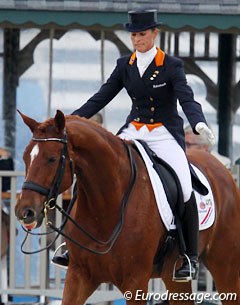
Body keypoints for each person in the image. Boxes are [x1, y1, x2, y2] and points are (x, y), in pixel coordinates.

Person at [52, 9, 215, 281]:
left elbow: (187, 98)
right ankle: (70, 243)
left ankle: (188, 255)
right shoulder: (124, 65)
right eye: (134, 35)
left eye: (142, 34)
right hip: (133, 129)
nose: (137, 40)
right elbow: (101, 97)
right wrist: (69, 120)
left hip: (164, 132)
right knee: (93, 171)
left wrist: (198, 123)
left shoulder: (170, 65)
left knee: (185, 184)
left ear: (154, 33)